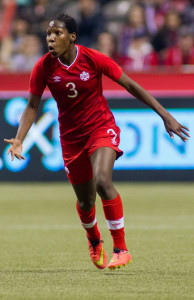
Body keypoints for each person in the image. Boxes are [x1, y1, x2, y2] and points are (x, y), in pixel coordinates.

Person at [4, 14, 190, 271]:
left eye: (57, 33)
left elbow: (131, 85)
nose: (50, 38)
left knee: (103, 180)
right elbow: (32, 105)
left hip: (100, 128)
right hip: (71, 139)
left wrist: (165, 115)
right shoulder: (43, 67)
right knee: (86, 202)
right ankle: (94, 240)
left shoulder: (93, 58)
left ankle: (121, 248)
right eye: (48, 34)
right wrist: (19, 139)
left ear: (72, 37)